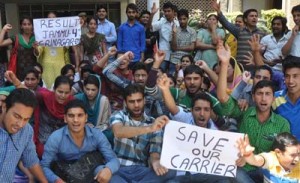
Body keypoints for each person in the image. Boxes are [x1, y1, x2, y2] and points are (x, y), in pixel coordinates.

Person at [216, 39, 290, 182]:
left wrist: (254, 159)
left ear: (274, 98)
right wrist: (225, 64)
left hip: (267, 172)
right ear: (253, 97)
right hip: (242, 169)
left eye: (268, 94)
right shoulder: (243, 112)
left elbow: (283, 156)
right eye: (259, 94)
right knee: (229, 177)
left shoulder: (282, 124)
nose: (263, 98)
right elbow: (223, 98)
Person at [157, 74, 231, 182]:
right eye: (198, 109)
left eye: (206, 110)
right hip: (182, 175)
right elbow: (172, 108)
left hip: (206, 176)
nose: (202, 113)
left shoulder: (216, 133)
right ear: (191, 111)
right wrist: (165, 89)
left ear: (211, 112)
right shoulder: (185, 118)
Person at [41, 99, 120, 183]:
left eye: (80, 115)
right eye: (71, 116)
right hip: (66, 174)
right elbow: (43, 166)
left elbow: (113, 159)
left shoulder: (96, 135)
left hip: (91, 172)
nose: (76, 120)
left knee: (107, 174)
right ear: (65, 118)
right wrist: (57, 180)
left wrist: (108, 170)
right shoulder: (56, 138)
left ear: (86, 117)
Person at [110, 84, 175, 182]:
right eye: (132, 102)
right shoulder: (119, 115)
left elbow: (154, 153)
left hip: (142, 172)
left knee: (171, 172)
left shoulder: (153, 122)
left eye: (139, 100)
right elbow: (118, 132)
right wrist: (149, 128)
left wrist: (156, 162)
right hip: (120, 168)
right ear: (125, 103)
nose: (136, 105)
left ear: (144, 100)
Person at [0, 88, 47, 183]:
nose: (20, 124)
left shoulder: (27, 130)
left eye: (26, 119)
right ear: (4, 107)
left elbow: (31, 161)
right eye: (17, 116)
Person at [211, 0, 265, 68]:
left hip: (255, 66)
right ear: (245, 19)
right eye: (251, 16)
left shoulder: (262, 34)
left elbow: (265, 52)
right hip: (240, 66)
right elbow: (226, 23)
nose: (254, 18)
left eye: (256, 16)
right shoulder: (239, 31)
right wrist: (218, 10)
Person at [33, 12, 70, 89]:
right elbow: (38, 52)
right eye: (49, 19)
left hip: (60, 66)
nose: (52, 21)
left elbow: (66, 51)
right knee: (48, 89)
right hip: (47, 67)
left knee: (60, 87)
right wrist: (36, 48)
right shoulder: (43, 35)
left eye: (54, 19)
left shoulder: (63, 35)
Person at [273, 56, 300, 141]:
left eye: (295, 76)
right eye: (287, 76)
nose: (290, 81)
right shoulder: (275, 98)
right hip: (282, 151)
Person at [149, 2, 179, 72]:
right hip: (163, 55)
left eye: (169, 11)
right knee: (160, 75)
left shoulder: (178, 23)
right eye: (165, 11)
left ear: (173, 11)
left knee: (172, 76)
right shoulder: (161, 22)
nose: (166, 13)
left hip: (175, 56)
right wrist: (152, 14)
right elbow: (150, 27)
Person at [170, 9, 196, 74]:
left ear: (188, 18)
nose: (182, 21)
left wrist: (178, 48)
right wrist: (174, 34)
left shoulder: (192, 31)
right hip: (174, 60)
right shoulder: (174, 30)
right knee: (172, 81)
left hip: (187, 62)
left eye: (184, 19)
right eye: (180, 19)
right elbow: (173, 48)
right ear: (178, 19)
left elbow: (192, 48)